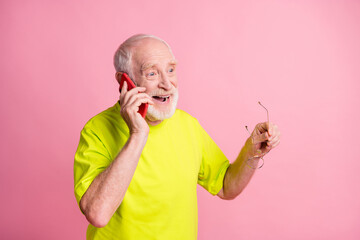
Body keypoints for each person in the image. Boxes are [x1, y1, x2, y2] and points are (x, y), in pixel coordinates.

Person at [74, 34, 281, 239]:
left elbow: (226, 187)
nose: (167, 83)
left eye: (171, 70)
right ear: (124, 81)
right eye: (152, 73)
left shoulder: (188, 125)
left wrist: (252, 153)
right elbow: (98, 214)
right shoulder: (97, 129)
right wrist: (137, 134)